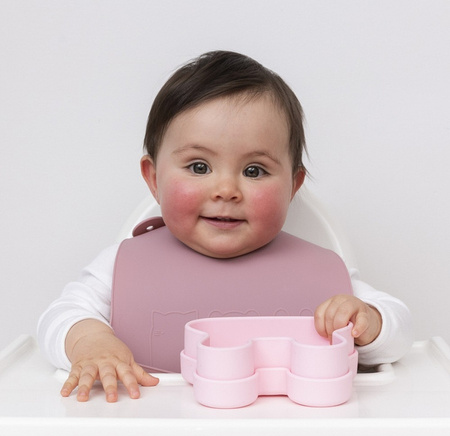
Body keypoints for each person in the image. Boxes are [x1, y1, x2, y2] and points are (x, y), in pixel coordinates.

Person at [37, 50, 413, 403]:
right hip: (153, 425)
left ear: (292, 186)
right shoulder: (123, 266)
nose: (226, 190)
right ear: (153, 178)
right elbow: (60, 315)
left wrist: (369, 322)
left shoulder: (319, 273)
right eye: (199, 167)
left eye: (254, 171)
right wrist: (89, 341)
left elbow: (399, 335)